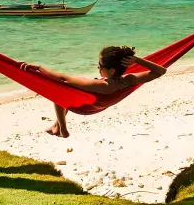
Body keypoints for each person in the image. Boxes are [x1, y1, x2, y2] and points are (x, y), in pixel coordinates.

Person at [18, 45, 166, 138]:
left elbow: (63, 79)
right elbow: (161, 71)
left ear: (111, 70)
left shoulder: (102, 86)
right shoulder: (129, 79)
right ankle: (56, 125)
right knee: (68, 87)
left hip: (87, 107)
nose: (98, 67)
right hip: (101, 102)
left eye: (100, 64)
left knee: (59, 91)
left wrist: (39, 69)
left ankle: (63, 128)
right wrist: (137, 60)